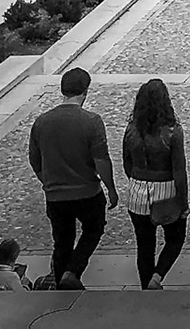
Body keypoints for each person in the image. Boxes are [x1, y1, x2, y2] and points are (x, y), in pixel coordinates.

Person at [27, 68, 118, 291]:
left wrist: (46, 181)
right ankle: (73, 271)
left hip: (56, 195)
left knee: (62, 241)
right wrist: (111, 189)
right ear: (85, 91)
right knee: (94, 229)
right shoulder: (92, 121)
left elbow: (34, 159)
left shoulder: (42, 122)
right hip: (87, 191)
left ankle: (60, 287)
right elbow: (101, 160)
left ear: (62, 90)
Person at [120, 78, 189, 289]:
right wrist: (183, 202)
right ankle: (157, 277)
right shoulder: (172, 132)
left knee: (145, 246)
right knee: (175, 239)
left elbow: (127, 163)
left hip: (138, 193)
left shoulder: (131, 130)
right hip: (166, 191)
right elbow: (179, 171)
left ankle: (146, 287)